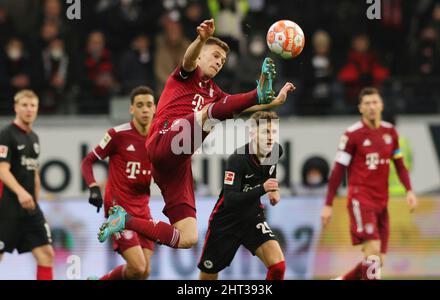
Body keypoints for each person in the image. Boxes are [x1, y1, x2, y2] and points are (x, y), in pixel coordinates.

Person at [97, 19, 295, 252]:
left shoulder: (215, 92)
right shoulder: (185, 75)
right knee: (209, 117)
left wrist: (275, 100)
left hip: (177, 165)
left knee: (188, 237)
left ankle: (124, 220)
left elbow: (235, 107)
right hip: (164, 139)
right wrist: (201, 39)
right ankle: (256, 93)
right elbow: (189, 60)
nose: (219, 62)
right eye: (214, 56)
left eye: (222, 60)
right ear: (201, 55)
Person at [320, 87, 418, 280]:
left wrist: (409, 191)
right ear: (360, 108)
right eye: (367, 103)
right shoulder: (352, 135)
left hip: (382, 202)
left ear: (381, 105)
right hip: (360, 199)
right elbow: (338, 169)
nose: (372, 107)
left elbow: (399, 165)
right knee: (372, 250)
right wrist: (328, 204)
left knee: (377, 259)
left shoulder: (390, 133)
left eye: (375, 102)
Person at [198, 111, 285, 280]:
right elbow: (230, 200)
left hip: (252, 218)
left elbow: (270, 173)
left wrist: (274, 189)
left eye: (273, 132)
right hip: (226, 222)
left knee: (278, 267)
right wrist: (263, 188)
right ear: (252, 134)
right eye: (265, 132)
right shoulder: (238, 159)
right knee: (209, 274)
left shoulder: (276, 150)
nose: (270, 137)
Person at [81, 86, 156, 280]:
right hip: (119, 211)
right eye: (140, 105)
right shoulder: (117, 135)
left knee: (143, 272)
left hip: (143, 210)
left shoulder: (158, 138)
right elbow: (88, 161)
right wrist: (93, 187)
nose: (145, 109)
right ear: (131, 109)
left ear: (155, 108)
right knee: (138, 267)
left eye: (149, 105)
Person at [0, 89, 54, 280]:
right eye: (24, 105)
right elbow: (2, 170)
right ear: (16, 107)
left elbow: (34, 173)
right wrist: (21, 193)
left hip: (30, 210)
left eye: (33, 105)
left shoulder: (34, 138)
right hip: (6, 208)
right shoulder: (6, 134)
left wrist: (36, 201)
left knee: (46, 254)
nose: (29, 109)